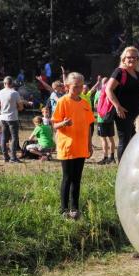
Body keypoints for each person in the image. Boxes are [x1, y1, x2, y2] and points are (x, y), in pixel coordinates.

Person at [52, 72, 95, 220]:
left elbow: (89, 125)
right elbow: (54, 124)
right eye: (76, 87)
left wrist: (89, 144)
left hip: (81, 147)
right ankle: (63, 210)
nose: (79, 89)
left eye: (81, 86)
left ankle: (75, 208)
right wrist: (63, 123)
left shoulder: (85, 103)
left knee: (77, 179)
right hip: (67, 146)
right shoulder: (62, 101)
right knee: (67, 178)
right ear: (67, 86)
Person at [105, 46, 139, 161]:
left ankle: (130, 164)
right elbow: (109, 89)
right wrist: (117, 106)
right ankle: (122, 168)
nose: (132, 59)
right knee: (125, 139)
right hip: (123, 112)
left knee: (134, 138)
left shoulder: (137, 73)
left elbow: (136, 93)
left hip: (135, 113)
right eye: (129, 57)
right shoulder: (119, 72)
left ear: (138, 59)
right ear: (123, 59)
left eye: (134, 57)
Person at [0, 76, 24, 163]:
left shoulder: (0, 92)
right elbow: (20, 107)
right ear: (12, 83)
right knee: (14, 138)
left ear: (4, 83)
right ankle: (13, 157)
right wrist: (19, 106)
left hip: (2, 117)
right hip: (12, 117)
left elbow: (1, 104)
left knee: (4, 137)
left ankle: (6, 157)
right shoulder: (15, 93)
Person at [94, 77, 116, 165]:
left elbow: (96, 106)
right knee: (111, 138)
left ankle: (105, 157)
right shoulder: (112, 92)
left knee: (103, 139)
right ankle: (112, 157)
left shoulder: (99, 93)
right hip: (110, 118)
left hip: (101, 119)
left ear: (102, 84)